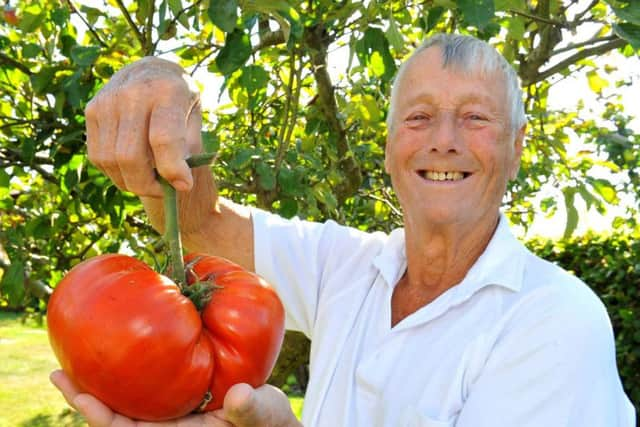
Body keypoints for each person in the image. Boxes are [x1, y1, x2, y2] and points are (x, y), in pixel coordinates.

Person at [51, 33, 636, 427]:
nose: (444, 139)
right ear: (389, 149)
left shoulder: (554, 319)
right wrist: (164, 103)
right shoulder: (349, 266)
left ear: (517, 148)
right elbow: (201, 224)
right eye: (419, 116)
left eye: (477, 118)